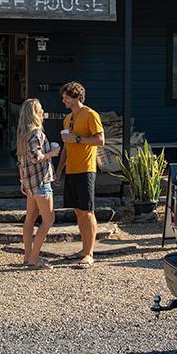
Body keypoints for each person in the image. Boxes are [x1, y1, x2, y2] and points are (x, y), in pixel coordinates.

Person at [55, 82, 105, 268]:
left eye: (67, 96)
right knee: (78, 211)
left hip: (86, 169)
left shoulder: (91, 114)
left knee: (87, 211)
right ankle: (84, 249)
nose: (64, 100)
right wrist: (59, 170)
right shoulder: (67, 119)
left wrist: (77, 139)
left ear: (77, 96)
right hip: (72, 170)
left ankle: (89, 253)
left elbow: (100, 140)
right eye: (63, 97)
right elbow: (66, 148)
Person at [16, 98, 60, 270]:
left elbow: (20, 160)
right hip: (41, 181)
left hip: (30, 182)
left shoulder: (23, 134)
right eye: (40, 109)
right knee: (49, 220)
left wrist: (22, 180)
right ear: (34, 113)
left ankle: (27, 256)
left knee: (30, 219)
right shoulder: (36, 133)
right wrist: (53, 152)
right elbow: (37, 157)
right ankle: (34, 259)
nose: (42, 111)